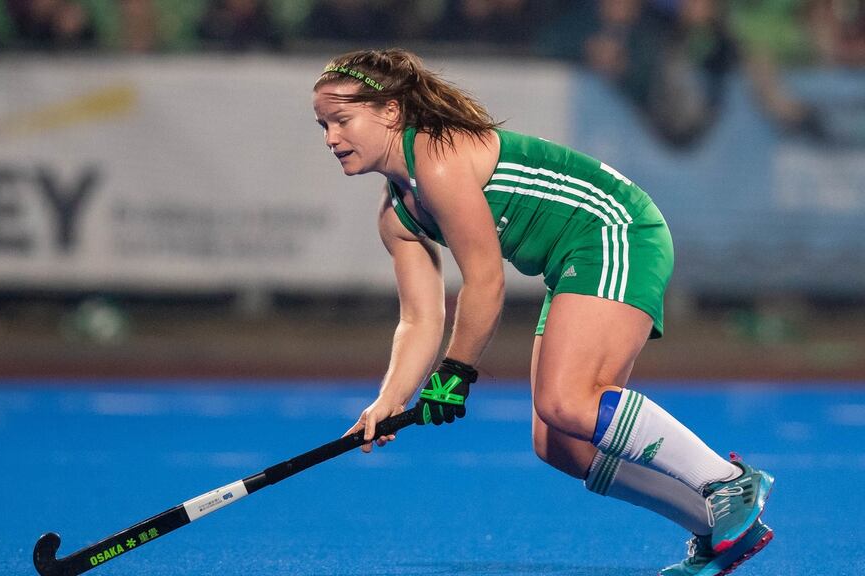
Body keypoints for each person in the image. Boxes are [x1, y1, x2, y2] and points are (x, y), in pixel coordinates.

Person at [313, 48, 774, 576]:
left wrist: (455, 372)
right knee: (562, 447)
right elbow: (421, 318)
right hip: (572, 258)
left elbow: (485, 281)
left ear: (390, 112)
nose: (331, 137)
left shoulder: (437, 159)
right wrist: (389, 402)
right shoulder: (397, 215)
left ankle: (727, 482)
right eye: (323, 124)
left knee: (567, 400)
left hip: (615, 230)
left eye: (342, 120)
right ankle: (715, 533)